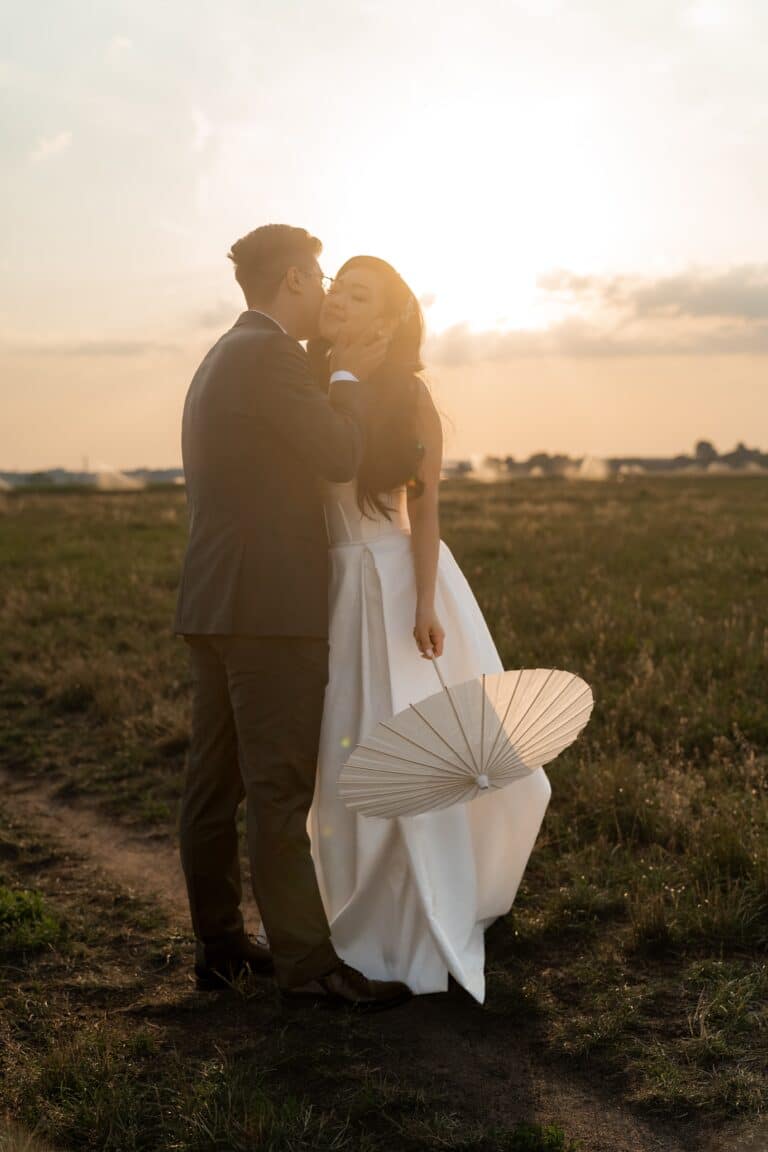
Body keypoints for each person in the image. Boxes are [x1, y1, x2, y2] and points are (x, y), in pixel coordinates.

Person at [174, 226, 411, 1011]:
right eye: (319, 278)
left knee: (213, 784)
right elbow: (340, 454)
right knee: (277, 789)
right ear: (298, 281)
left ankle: (219, 947)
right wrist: (344, 372)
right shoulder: (274, 356)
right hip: (268, 606)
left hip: (214, 598)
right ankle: (308, 966)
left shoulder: (221, 354)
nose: (325, 293)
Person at [308, 256, 552, 1003]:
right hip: (334, 583)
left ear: (386, 321)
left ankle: (426, 905)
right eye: (334, 290)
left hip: (398, 582)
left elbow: (427, 508)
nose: (338, 304)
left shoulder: (409, 397)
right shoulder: (308, 385)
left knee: (411, 746)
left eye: (358, 296)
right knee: (345, 750)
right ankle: (355, 902)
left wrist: (423, 601)